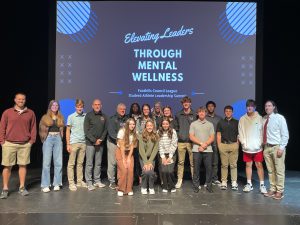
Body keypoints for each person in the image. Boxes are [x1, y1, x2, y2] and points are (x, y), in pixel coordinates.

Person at [0, 93, 36, 199]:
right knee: (7, 166)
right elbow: (2, 127)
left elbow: (33, 128)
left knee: (23, 165)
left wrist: (31, 141)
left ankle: (21, 188)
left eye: (23, 99)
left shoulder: (30, 113)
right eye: (19, 99)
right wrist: (2, 142)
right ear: (15, 100)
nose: (21, 101)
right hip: (9, 143)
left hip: (25, 144)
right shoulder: (7, 112)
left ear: (25, 100)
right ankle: (5, 189)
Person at [238, 99, 267, 194]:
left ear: (254, 107)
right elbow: (240, 132)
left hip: (257, 148)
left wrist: (260, 143)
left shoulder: (259, 118)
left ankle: (262, 185)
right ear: (246, 107)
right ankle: (249, 184)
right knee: (248, 165)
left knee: (259, 165)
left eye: (251, 106)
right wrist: (243, 143)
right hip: (247, 148)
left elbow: (262, 132)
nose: (249, 107)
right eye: (248, 106)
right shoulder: (242, 119)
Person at [263, 100, 289, 200]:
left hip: (277, 147)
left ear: (274, 107)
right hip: (267, 147)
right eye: (266, 106)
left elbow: (285, 134)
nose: (267, 108)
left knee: (279, 170)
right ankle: (273, 188)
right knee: (270, 170)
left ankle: (280, 191)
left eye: (269, 106)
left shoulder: (279, 118)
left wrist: (281, 148)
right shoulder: (264, 119)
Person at [39, 100, 64, 193]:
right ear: (50, 107)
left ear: (58, 107)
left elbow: (62, 130)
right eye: (53, 105)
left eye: (56, 105)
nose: (55, 106)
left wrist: (60, 138)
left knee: (58, 162)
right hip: (48, 139)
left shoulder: (60, 117)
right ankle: (45, 184)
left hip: (57, 138)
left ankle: (56, 183)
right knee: (46, 163)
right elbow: (41, 129)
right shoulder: (45, 117)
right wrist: (44, 139)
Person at [84, 99, 108, 191]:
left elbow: (105, 130)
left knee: (98, 164)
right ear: (92, 106)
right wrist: (94, 140)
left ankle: (97, 180)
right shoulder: (88, 115)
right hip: (90, 143)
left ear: (101, 105)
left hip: (100, 144)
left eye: (99, 104)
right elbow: (86, 130)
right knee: (89, 163)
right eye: (95, 104)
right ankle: (89, 182)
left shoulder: (104, 116)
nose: (97, 106)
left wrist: (100, 139)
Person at [189, 107, 215, 193]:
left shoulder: (210, 124)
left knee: (209, 169)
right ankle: (196, 186)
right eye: (199, 112)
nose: (201, 113)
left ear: (206, 113)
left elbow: (212, 137)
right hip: (197, 150)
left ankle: (209, 185)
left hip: (208, 150)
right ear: (197, 113)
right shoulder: (193, 124)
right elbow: (191, 136)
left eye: (203, 112)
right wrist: (201, 144)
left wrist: (205, 145)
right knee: (196, 169)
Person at [174, 96, 197, 188]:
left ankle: (194, 181)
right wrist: (180, 136)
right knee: (180, 162)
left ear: (190, 103)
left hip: (192, 143)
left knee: (192, 163)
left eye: (187, 102)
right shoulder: (178, 114)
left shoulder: (195, 114)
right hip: (181, 142)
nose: (186, 103)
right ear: (182, 104)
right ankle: (179, 180)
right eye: (184, 102)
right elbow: (176, 128)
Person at [66, 99, 87, 191]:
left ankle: (79, 181)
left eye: (81, 106)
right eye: (78, 106)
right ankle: (71, 183)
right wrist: (68, 144)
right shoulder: (71, 117)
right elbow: (67, 131)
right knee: (71, 164)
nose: (79, 108)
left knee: (80, 163)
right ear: (75, 107)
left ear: (83, 107)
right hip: (73, 143)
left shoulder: (86, 116)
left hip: (83, 142)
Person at [216, 105, 239, 190]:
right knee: (224, 165)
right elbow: (218, 134)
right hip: (223, 145)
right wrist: (219, 145)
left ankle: (234, 182)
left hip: (233, 145)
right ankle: (224, 182)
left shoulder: (237, 122)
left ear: (232, 112)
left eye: (230, 111)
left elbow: (238, 135)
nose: (228, 112)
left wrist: (237, 144)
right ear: (224, 112)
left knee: (233, 165)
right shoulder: (221, 122)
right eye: (226, 111)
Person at [107, 103, 128, 189]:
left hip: (124, 144)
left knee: (122, 162)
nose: (123, 110)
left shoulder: (127, 119)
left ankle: (121, 180)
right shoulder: (112, 119)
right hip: (113, 143)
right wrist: (120, 142)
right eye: (121, 109)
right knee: (113, 163)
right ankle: (112, 181)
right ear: (117, 109)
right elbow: (112, 133)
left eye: (124, 109)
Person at [115, 118, 138, 196]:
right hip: (120, 152)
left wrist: (128, 158)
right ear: (127, 124)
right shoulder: (122, 131)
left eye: (133, 124)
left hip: (129, 153)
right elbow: (121, 147)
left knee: (130, 169)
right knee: (124, 169)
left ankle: (129, 189)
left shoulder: (135, 133)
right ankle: (121, 188)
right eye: (130, 124)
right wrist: (124, 159)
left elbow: (132, 146)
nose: (132, 126)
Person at [139, 119, 159, 194]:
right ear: (145, 127)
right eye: (148, 126)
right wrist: (146, 162)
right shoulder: (141, 136)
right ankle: (143, 186)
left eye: (151, 125)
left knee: (150, 171)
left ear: (153, 126)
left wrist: (150, 162)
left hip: (151, 158)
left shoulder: (156, 136)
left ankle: (151, 187)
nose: (149, 127)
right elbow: (141, 150)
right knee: (145, 171)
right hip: (143, 157)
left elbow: (155, 150)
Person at [158, 118, 178, 193]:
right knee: (164, 170)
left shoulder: (173, 131)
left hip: (171, 154)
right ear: (161, 125)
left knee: (170, 171)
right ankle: (165, 186)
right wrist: (163, 157)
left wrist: (170, 157)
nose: (165, 125)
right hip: (162, 154)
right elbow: (159, 145)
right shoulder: (158, 132)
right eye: (163, 124)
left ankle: (172, 186)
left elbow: (174, 144)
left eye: (166, 124)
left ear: (169, 124)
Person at [205, 101, 222, 185]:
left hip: (215, 143)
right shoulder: (204, 118)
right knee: (207, 163)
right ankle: (207, 179)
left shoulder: (219, 118)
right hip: (207, 144)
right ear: (207, 108)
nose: (210, 108)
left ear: (214, 107)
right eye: (209, 106)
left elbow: (221, 132)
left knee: (215, 162)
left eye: (212, 106)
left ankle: (215, 178)